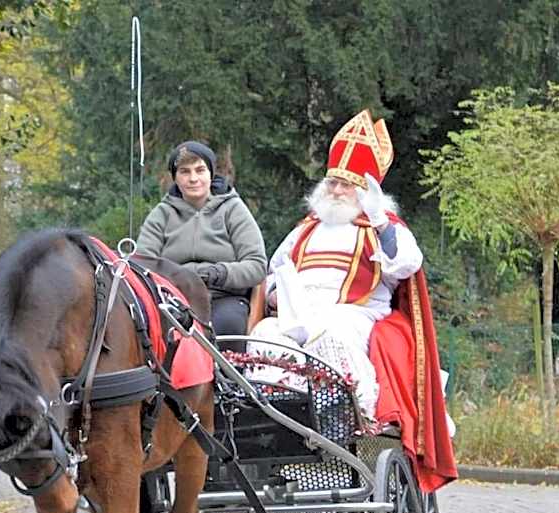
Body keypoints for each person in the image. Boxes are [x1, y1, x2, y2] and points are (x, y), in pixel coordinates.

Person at [250, 109, 456, 492]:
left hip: (355, 316)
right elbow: (273, 272)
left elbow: (407, 263)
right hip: (296, 316)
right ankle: (273, 418)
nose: (337, 191)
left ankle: (335, 415)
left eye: (347, 185)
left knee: (331, 333)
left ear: (366, 191)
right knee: (263, 332)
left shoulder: (384, 229)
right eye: (333, 182)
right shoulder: (304, 231)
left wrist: (380, 221)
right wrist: (277, 295)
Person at [136, 141, 267, 345]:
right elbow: (142, 264)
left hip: (222, 297)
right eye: (185, 172)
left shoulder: (233, 209)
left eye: (200, 170)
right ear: (175, 177)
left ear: (211, 173)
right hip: (173, 298)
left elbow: (257, 265)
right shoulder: (161, 214)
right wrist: (177, 279)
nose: (193, 178)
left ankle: (228, 377)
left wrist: (219, 273)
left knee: (228, 323)